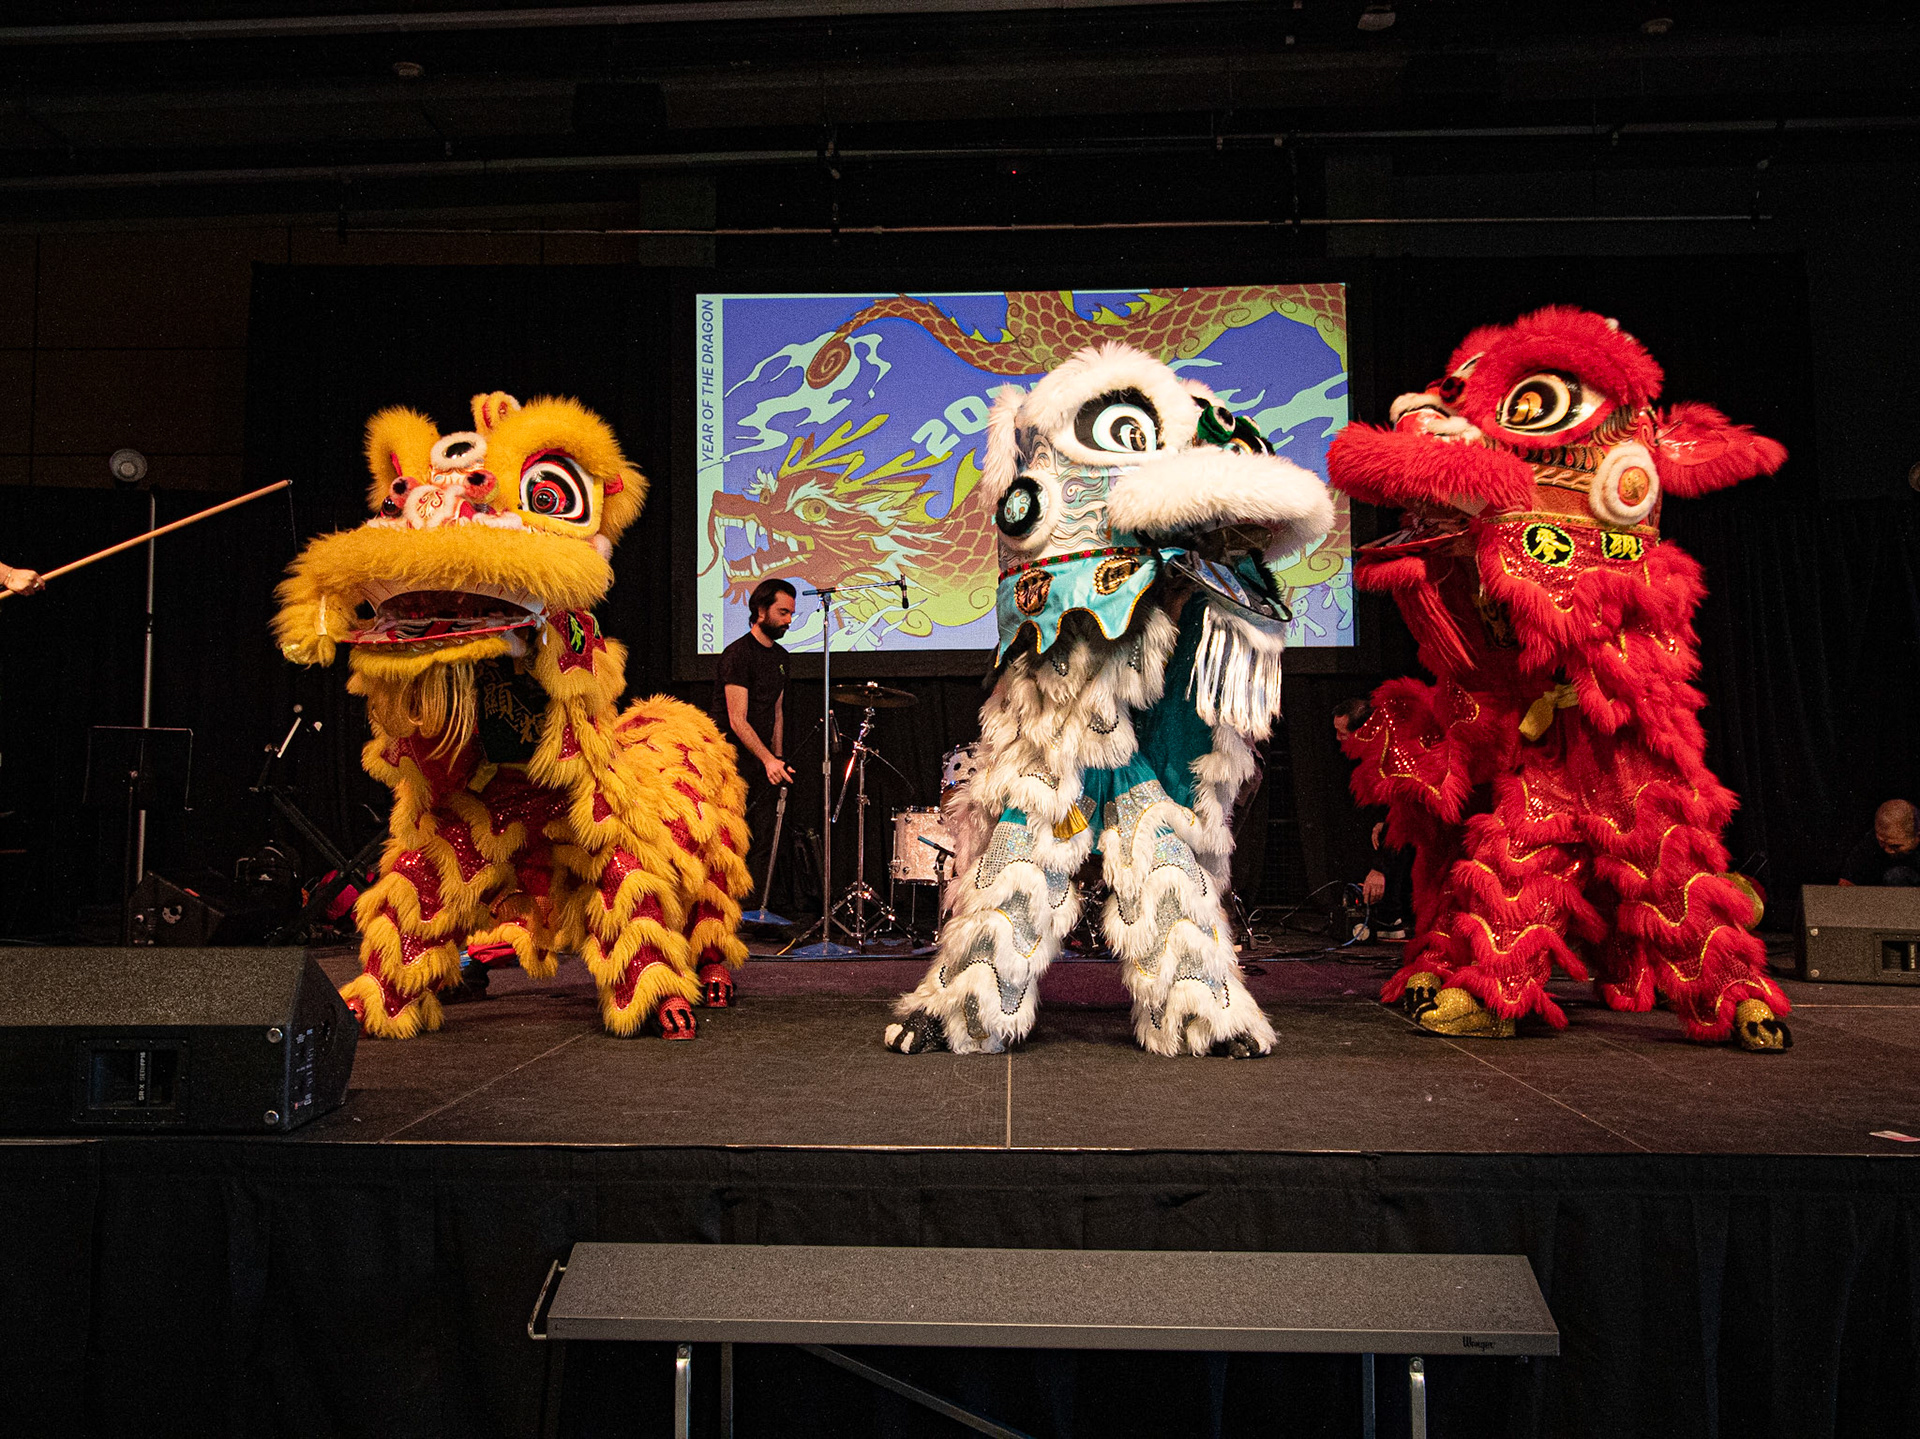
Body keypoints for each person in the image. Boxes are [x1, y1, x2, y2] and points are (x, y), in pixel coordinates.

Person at [714, 578, 797, 916]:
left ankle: (753, 911)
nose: (788, 620)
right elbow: (738, 720)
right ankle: (724, 912)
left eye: (791, 614)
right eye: (783, 612)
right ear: (761, 611)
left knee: (764, 836)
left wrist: (777, 758)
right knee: (733, 837)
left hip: (765, 761)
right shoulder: (738, 654)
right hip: (733, 760)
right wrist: (766, 759)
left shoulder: (781, 657)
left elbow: (777, 711)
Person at [1333, 695, 1413, 940]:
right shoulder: (1372, 755)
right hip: (1396, 820)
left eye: (1343, 733)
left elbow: (1405, 815)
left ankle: (1392, 917)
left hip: (1416, 823)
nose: (1337, 739)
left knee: (1391, 833)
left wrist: (1380, 869)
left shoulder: (1393, 755)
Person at [1839, 799, 1920, 887]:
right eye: (1882, 843)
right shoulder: (1870, 843)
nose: (1888, 850)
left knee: (1897, 876)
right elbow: (1847, 882)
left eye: (1895, 846)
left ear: (1917, 836)